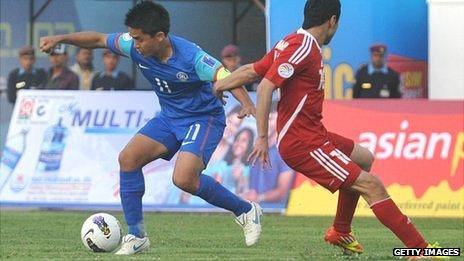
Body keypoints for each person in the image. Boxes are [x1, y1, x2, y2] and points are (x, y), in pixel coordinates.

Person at [214, 0, 441, 256]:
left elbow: (249, 70)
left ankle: (340, 231)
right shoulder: (302, 48)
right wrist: (263, 138)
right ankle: (422, 250)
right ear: (332, 21)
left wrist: (218, 86)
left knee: (364, 158)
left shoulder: (290, 42)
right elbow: (266, 86)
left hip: (314, 133)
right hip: (303, 142)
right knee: (372, 185)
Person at [39, 1, 261, 255]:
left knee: (184, 179)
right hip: (169, 117)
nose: (134, 44)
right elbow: (99, 39)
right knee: (129, 158)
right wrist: (61, 38)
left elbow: (227, 76)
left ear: (160, 36)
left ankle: (245, 210)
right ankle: (137, 235)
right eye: (132, 37)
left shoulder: (192, 57)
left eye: (139, 39)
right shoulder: (135, 45)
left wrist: (245, 103)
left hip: (203, 118)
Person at [244, 104, 294, 204]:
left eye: (270, 119)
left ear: (280, 121)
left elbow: (282, 192)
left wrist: (259, 198)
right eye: (263, 118)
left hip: (277, 212)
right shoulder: (254, 150)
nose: (264, 123)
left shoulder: (285, 152)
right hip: (252, 209)